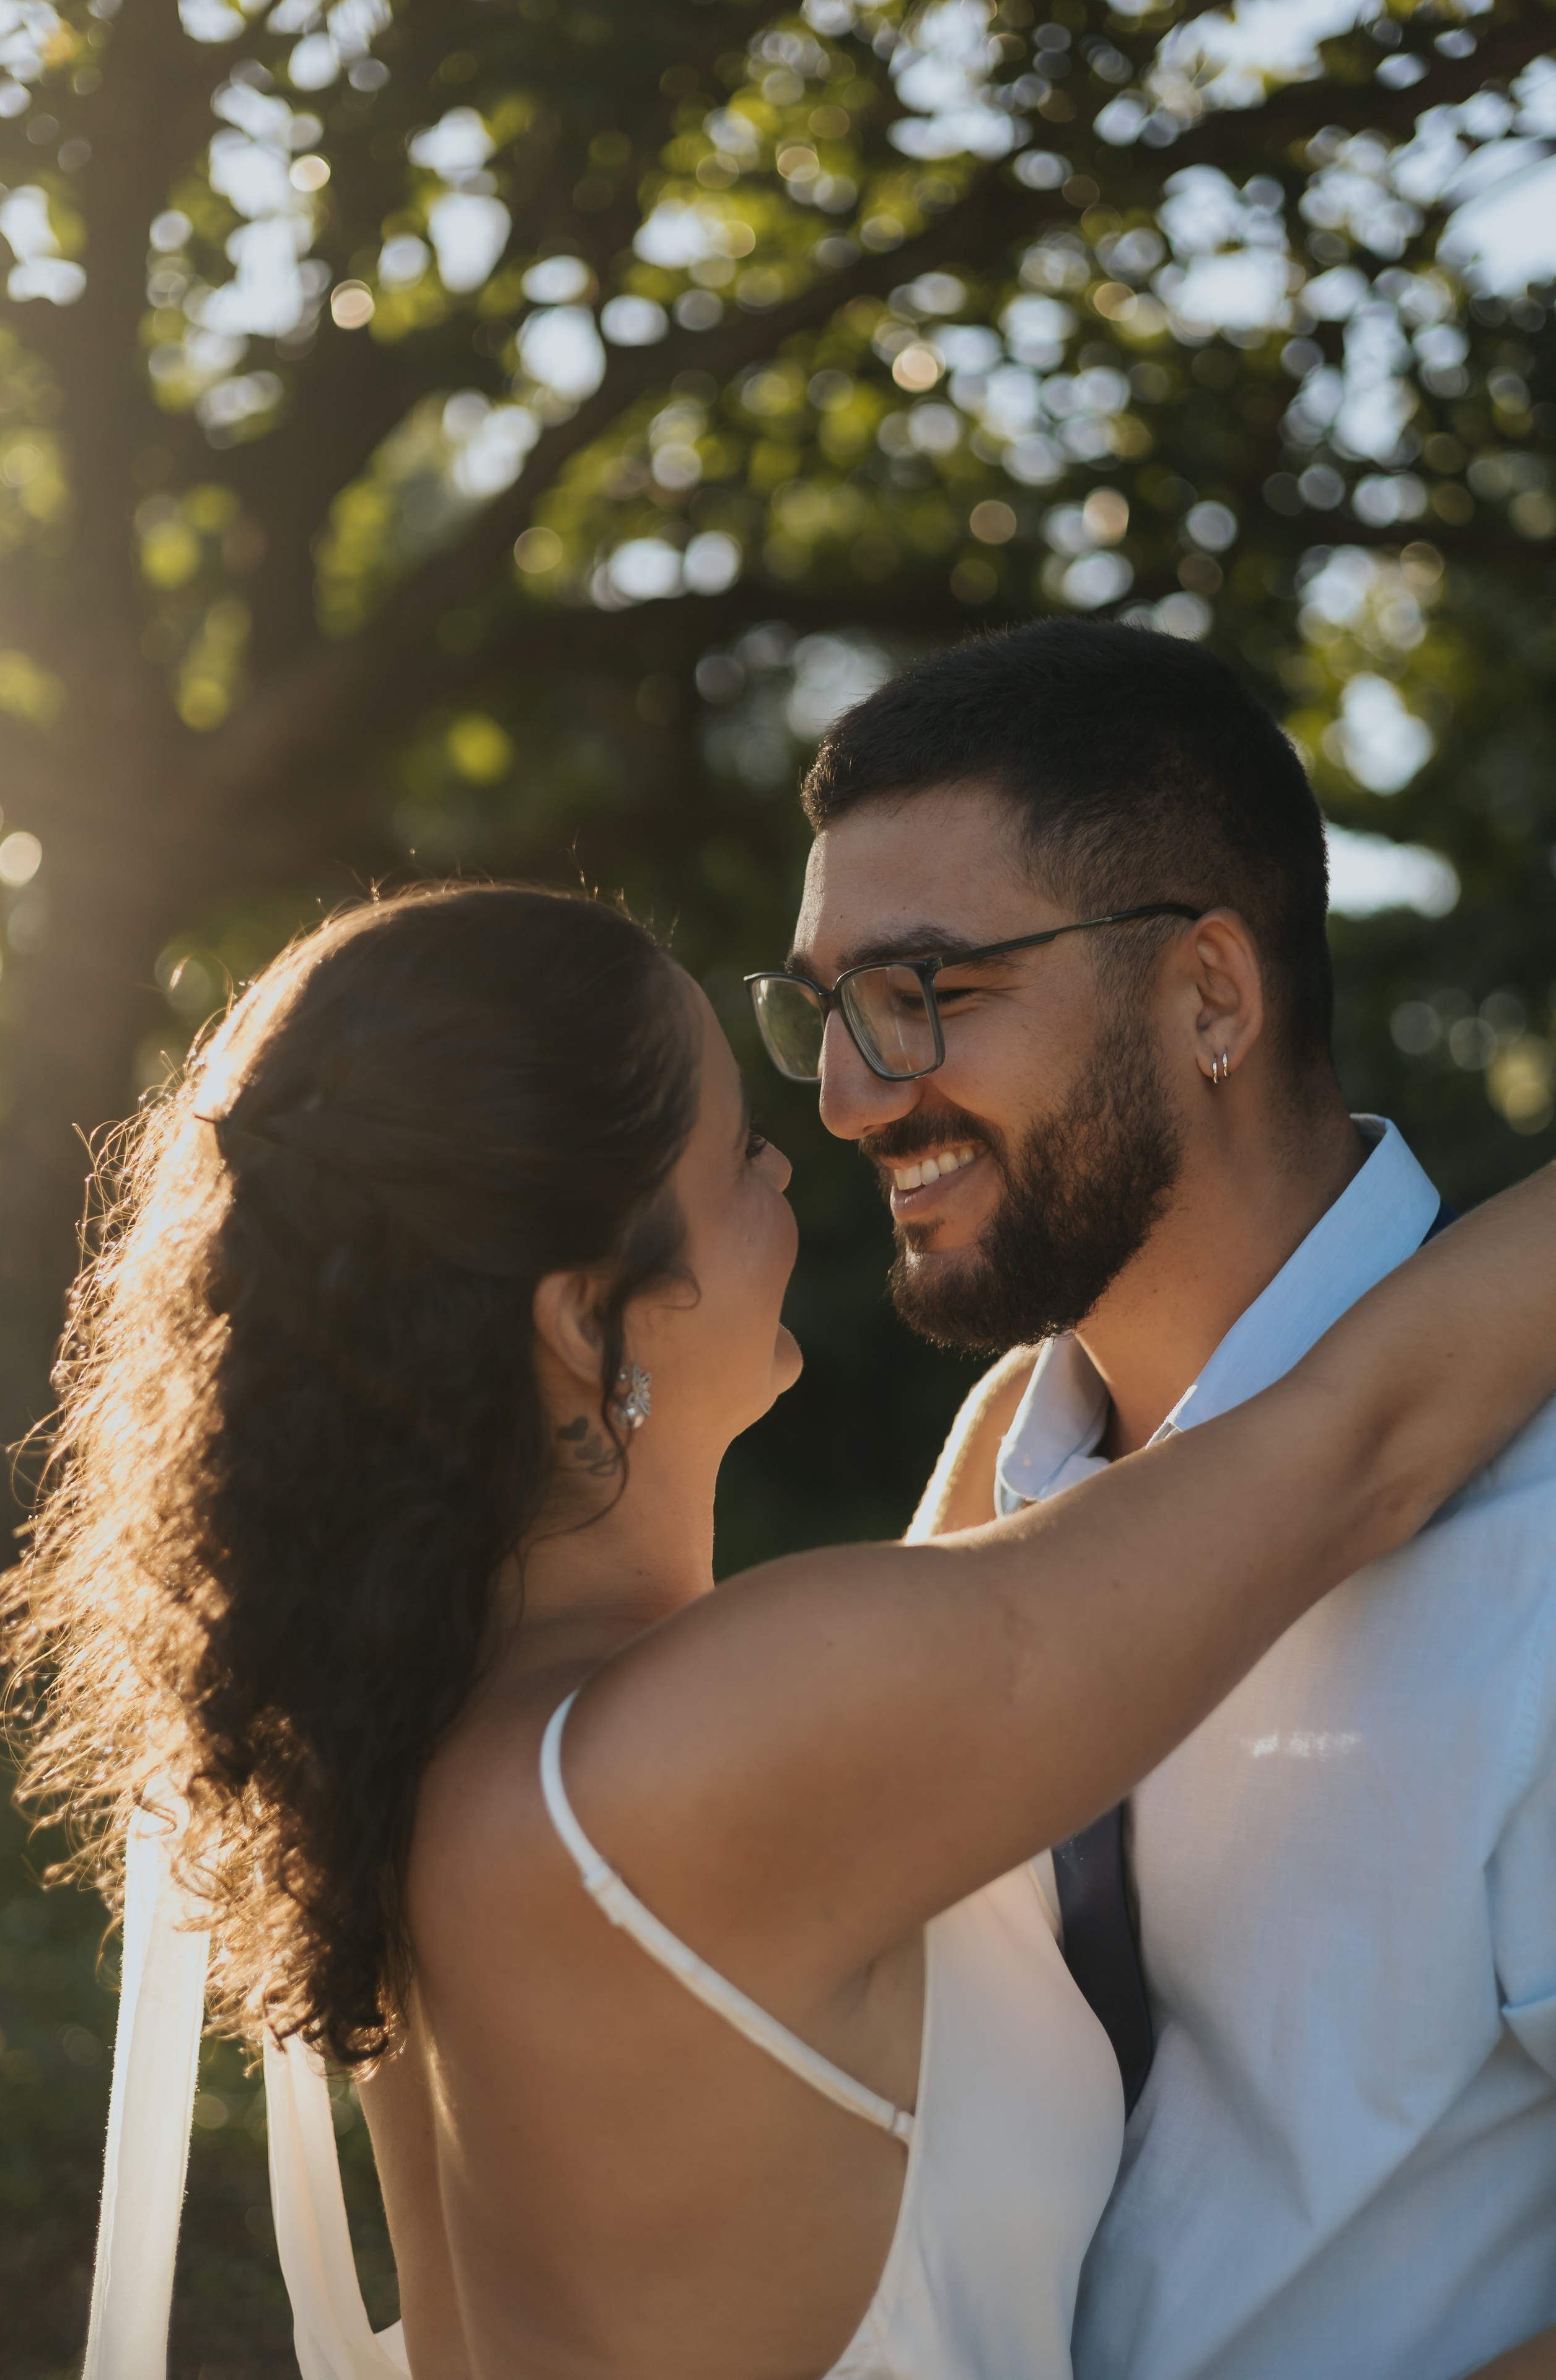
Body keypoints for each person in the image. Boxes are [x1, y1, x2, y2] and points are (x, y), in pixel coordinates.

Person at [0, 883, 1556, 2380]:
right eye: (737, 1152)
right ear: (585, 1319)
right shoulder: (709, 1744)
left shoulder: (441, 1748)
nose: (801, 1163)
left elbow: (994, 1556)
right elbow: (1355, 1448)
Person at [753, 618, 1556, 2380]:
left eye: (925, 989)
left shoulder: (1538, 1531)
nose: (847, 1096)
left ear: (1210, 997)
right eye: (823, 1009)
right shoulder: (995, 1471)